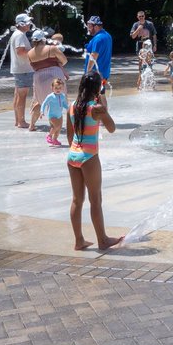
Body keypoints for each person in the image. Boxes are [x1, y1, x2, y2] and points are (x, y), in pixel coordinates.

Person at [65, 72, 123, 251]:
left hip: (72, 155)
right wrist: (103, 108)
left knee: (77, 199)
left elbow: (69, 135)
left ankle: (79, 240)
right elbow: (112, 128)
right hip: (89, 157)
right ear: (98, 88)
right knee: (95, 199)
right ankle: (103, 240)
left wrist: (77, 151)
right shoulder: (96, 108)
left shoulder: (72, 106)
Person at [28, 29, 68, 131]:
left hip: (39, 78)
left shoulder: (29, 53)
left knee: (38, 101)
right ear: (43, 39)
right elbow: (64, 60)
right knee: (58, 99)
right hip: (54, 74)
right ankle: (55, 125)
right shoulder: (52, 49)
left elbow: (34, 67)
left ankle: (31, 125)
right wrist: (58, 64)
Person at [7, 14, 34, 129]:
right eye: (27, 22)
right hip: (23, 69)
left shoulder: (18, 34)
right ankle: (21, 121)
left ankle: (17, 120)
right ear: (21, 24)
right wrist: (34, 52)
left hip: (20, 69)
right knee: (21, 96)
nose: (29, 24)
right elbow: (20, 51)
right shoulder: (19, 36)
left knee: (18, 95)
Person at [84, 16, 113, 86]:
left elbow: (93, 57)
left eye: (90, 26)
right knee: (101, 94)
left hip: (95, 74)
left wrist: (87, 73)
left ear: (96, 27)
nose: (88, 29)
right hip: (104, 73)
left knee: (90, 95)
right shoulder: (107, 35)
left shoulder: (98, 39)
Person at [41, 77, 69, 147]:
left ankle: (55, 139)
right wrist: (42, 111)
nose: (58, 90)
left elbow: (64, 104)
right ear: (52, 88)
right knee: (56, 126)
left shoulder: (62, 96)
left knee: (59, 129)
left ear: (62, 88)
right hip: (52, 115)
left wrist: (69, 108)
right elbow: (44, 103)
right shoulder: (50, 96)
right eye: (56, 88)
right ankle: (49, 136)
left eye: (60, 88)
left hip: (59, 115)